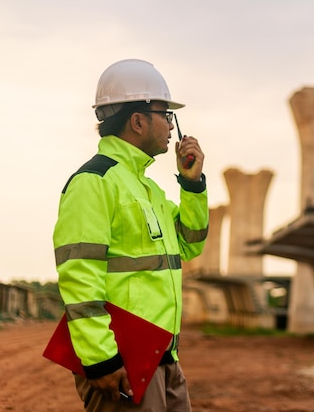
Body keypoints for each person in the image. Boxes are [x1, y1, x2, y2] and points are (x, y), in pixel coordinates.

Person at [53, 59, 208, 412]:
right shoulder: (94, 182)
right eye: (165, 115)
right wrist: (101, 360)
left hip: (162, 357)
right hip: (123, 360)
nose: (172, 127)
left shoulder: (147, 189)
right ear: (137, 121)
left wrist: (192, 184)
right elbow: (79, 278)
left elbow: (190, 242)